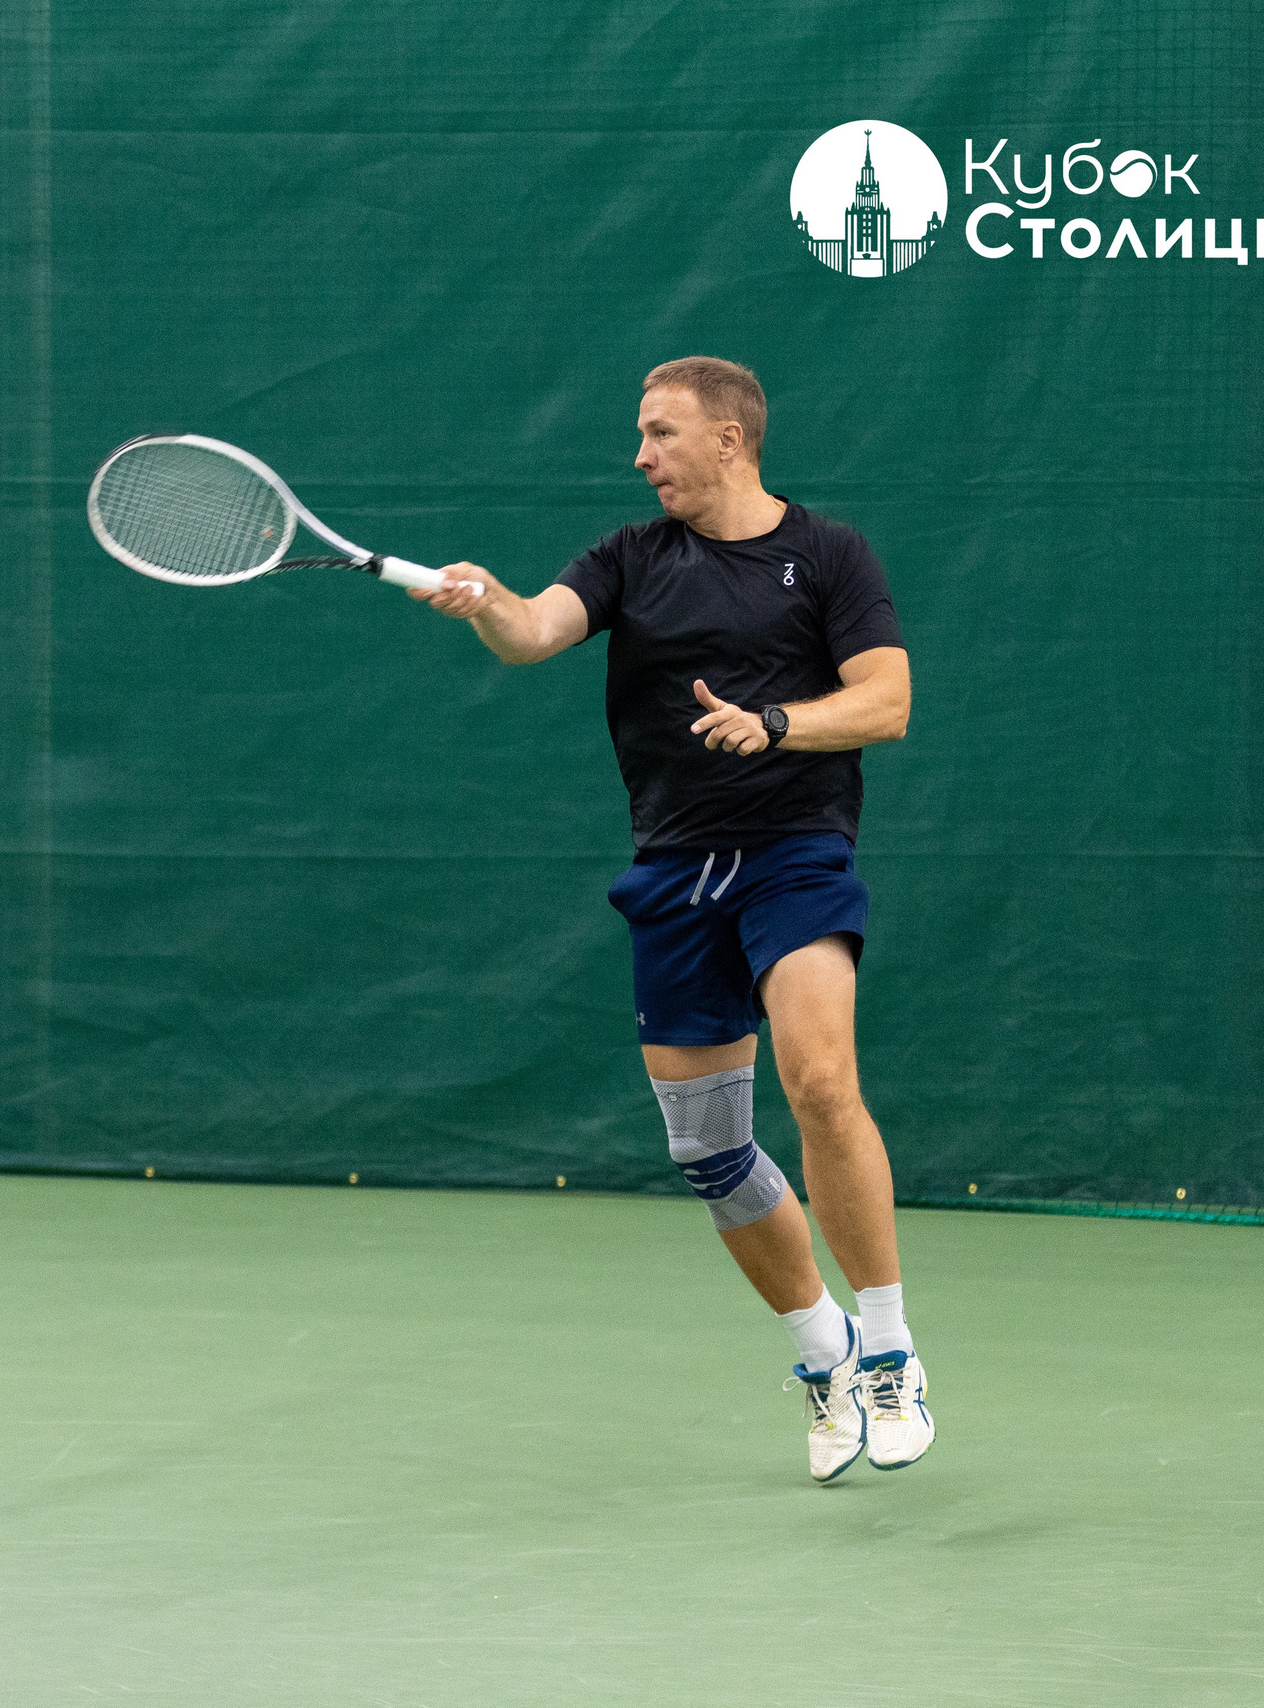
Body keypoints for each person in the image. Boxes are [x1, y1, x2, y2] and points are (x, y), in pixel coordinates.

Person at [412, 356, 929, 1481]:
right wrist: (483, 602)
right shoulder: (629, 558)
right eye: (640, 436)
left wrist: (776, 725)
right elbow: (535, 630)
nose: (641, 456)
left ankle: (889, 1350)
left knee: (821, 1081)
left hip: (795, 850)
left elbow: (885, 702)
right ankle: (821, 1354)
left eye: (660, 434)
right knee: (706, 1146)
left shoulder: (830, 555)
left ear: (730, 439)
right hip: (673, 868)